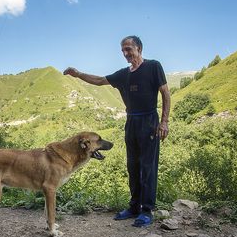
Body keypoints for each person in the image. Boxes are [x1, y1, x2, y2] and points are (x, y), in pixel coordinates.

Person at [63, 35, 170, 227]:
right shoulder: (123, 74)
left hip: (149, 121)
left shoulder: (154, 66)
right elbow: (99, 80)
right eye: (123, 50)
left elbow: (165, 93)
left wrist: (164, 123)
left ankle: (147, 210)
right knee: (132, 166)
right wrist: (78, 74)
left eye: (128, 49)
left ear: (139, 48)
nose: (125, 53)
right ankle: (134, 207)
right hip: (131, 121)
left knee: (148, 167)